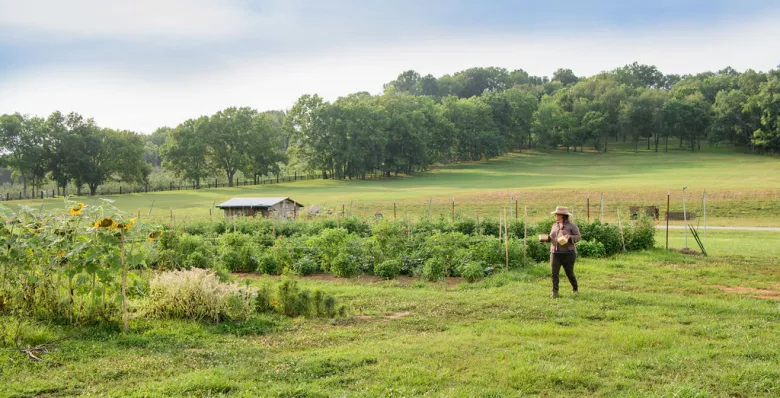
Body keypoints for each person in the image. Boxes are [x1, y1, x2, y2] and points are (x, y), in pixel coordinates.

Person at [541, 206, 581, 298]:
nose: (555, 216)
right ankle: (555, 293)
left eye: (556, 214)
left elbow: (578, 237)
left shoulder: (572, 226)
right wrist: (546, 239)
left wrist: (569, 237)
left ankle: (575, 288)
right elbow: (552, 237)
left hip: (568, 253)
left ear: (562, 216)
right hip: (555, 253)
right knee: (554, 273)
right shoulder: (554, 225)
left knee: (569, 273)